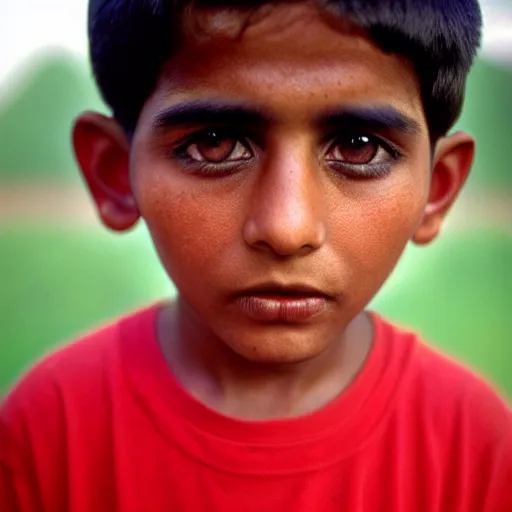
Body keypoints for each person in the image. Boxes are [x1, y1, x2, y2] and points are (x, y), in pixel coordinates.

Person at [1, 0, 511, 510]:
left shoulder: (477, 446)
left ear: (435, 190)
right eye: (215, 145)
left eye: (359, 148)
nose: (287, 229)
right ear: (115, 173)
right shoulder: (48, 428)